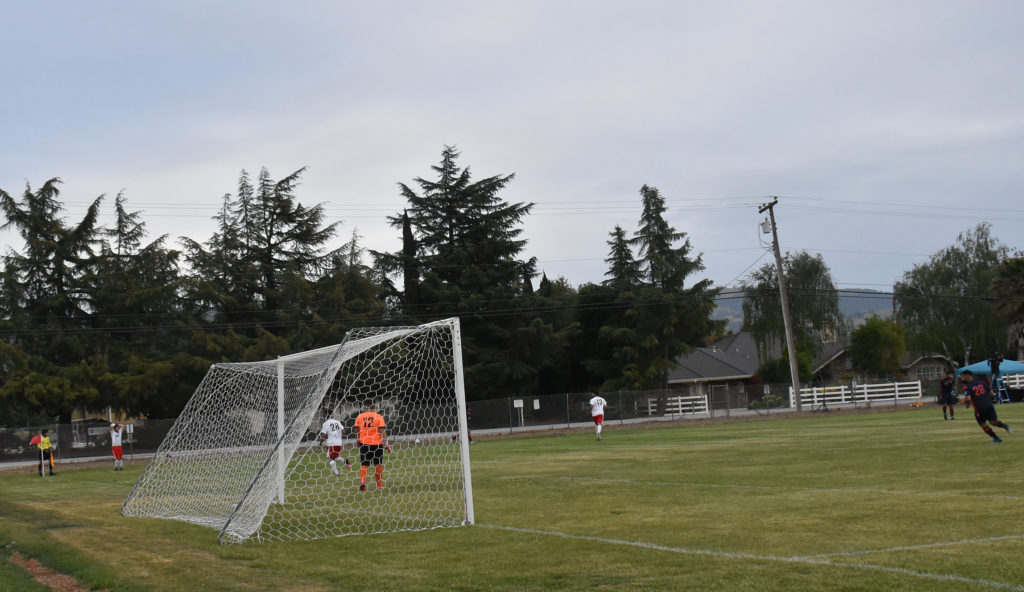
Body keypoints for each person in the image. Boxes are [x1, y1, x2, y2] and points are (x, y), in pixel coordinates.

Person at [960, 369, 1012, 443]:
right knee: (993, 422)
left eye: (963, 376)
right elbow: (991, 393)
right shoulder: (982, 382)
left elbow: (968, 398)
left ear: (967, 376)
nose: (962, 378)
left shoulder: (967, 386)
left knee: (982, 424)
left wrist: (964, 402)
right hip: (989, 404)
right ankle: (1005, 426)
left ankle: (996, 438)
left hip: (979, 407)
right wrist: (984, 398)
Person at [354, 403, 390, 491]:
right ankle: (379, 485)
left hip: (364, 444)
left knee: (364, 464)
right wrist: (386, 444)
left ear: (366, 408)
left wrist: (358, 440)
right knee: (378, 464)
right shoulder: (379, 416)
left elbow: (356, 430)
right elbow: (382, 430)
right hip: (377, 444)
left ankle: (363, 481)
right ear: (374, 408)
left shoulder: (360, 416)